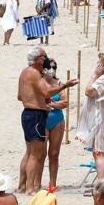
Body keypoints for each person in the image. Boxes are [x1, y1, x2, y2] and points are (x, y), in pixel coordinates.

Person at [17, 47, 79, 195]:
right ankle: (31, 188)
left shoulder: (25, 72)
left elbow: (20, 96)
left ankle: (22, 186)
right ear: (38, 59)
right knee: (36, 154)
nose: (46, 59)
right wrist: (65, 85)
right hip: (36, 114)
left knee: (31, 152)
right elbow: (45, 92)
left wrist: (35, 98)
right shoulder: (34, 73)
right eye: (44, 57)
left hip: (29, 113)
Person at [43, 59, 67, 188]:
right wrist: (55, 104)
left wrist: (53, 104)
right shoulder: (39, 83)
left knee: (54, 152)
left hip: (57, 119)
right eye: (50, 67)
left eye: (54, 67)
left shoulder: (59, 83)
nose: (52, 69)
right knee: (41, 153)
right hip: (43, 119)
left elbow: (65, 102)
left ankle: (52, 183)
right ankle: (37, 182)